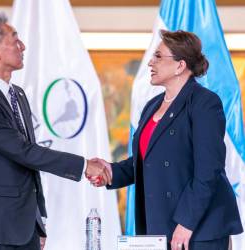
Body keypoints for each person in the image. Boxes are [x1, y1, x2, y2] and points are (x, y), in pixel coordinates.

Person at [0, 13, 111, 250]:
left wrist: (39, 221)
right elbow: (24, 152)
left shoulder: (17, 94)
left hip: (24, 227)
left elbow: (27, 166)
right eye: (15, 40)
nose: (23, 46)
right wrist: (84, 165)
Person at [90, 30, 243, 250]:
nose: (150, 62)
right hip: (160, 223)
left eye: (158, 57)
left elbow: (208, 171)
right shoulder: (151, 106)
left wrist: (186, 223)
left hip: (197, 228)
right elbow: (147, 163)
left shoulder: (204, 103)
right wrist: (110, 172)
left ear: (180, 66)